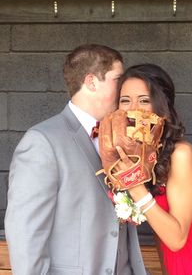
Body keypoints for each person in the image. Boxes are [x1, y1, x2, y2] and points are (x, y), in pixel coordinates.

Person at [4, 44, 147, 275]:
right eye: (118, 80)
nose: (124, 90)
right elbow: (26, 232)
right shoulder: (42, 142)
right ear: (91, 82)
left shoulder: (120, 137)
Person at [115, 63, 192, 275]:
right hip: (177, 264)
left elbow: (177, 239)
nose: (133, 108)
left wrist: (134, 186)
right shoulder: (145, 155)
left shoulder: (181, 154)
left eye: (144, 100)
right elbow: (160, 231)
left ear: (161, 105)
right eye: (125, 100)